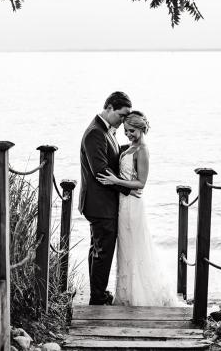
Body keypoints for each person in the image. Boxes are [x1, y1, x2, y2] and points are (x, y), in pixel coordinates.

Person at [97, 111, 182, 307]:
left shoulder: (142, 150)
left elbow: (141, 183)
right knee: (126, 246)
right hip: (123, 202)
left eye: (132, 131)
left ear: (142, 129)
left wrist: (115, 181)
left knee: (135, 245)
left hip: (133, 205)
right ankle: (126, 292)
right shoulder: (130, 147)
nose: (128, 134)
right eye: (126, 130)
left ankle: (139, 294)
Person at [79, 91, 138, 306]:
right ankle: (97, 297)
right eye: (122, 115)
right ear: (110, 107)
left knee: (98, 249)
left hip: (101, 202)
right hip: (99, 203)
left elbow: (112, 157)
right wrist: (128, 189)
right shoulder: (95, 133)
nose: (123, 121)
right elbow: (101, 171)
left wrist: (134, 150)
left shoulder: (106, 131)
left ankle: (98, 292)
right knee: (102, 251)